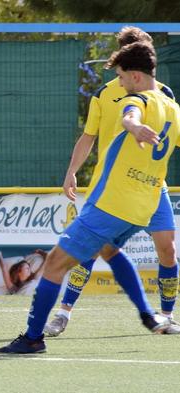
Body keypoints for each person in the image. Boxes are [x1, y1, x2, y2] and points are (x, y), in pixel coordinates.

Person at [0, 41, 180, 354]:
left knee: (53, 265)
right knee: (108, 251)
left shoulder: (137, 100)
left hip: (111, 203)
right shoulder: (173, 108)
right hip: (143, 207)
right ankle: (149, 315)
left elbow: (130, 116)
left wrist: (133, 126)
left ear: (135, 76)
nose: (119, 83)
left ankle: (32, 338)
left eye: (121, 76)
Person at [44, 26, 180, 336]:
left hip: (151, 186)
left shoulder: (164, 95)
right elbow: (89, 136)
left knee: (168, 250)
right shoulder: (105, 94)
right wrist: (71, 171)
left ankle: (167, 317)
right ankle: (63, 313)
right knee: (91, 250)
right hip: (113, 187)